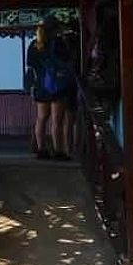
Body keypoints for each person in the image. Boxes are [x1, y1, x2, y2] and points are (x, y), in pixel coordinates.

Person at [26, 16, 76, 160]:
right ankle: (58, 151)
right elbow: (67, 62)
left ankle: (41, 149)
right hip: (57, 85)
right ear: (54, 29)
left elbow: (30, 66)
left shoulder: (34, 45)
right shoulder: (58, 43)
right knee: (57, 120)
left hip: (40, 86)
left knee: (41, 119)